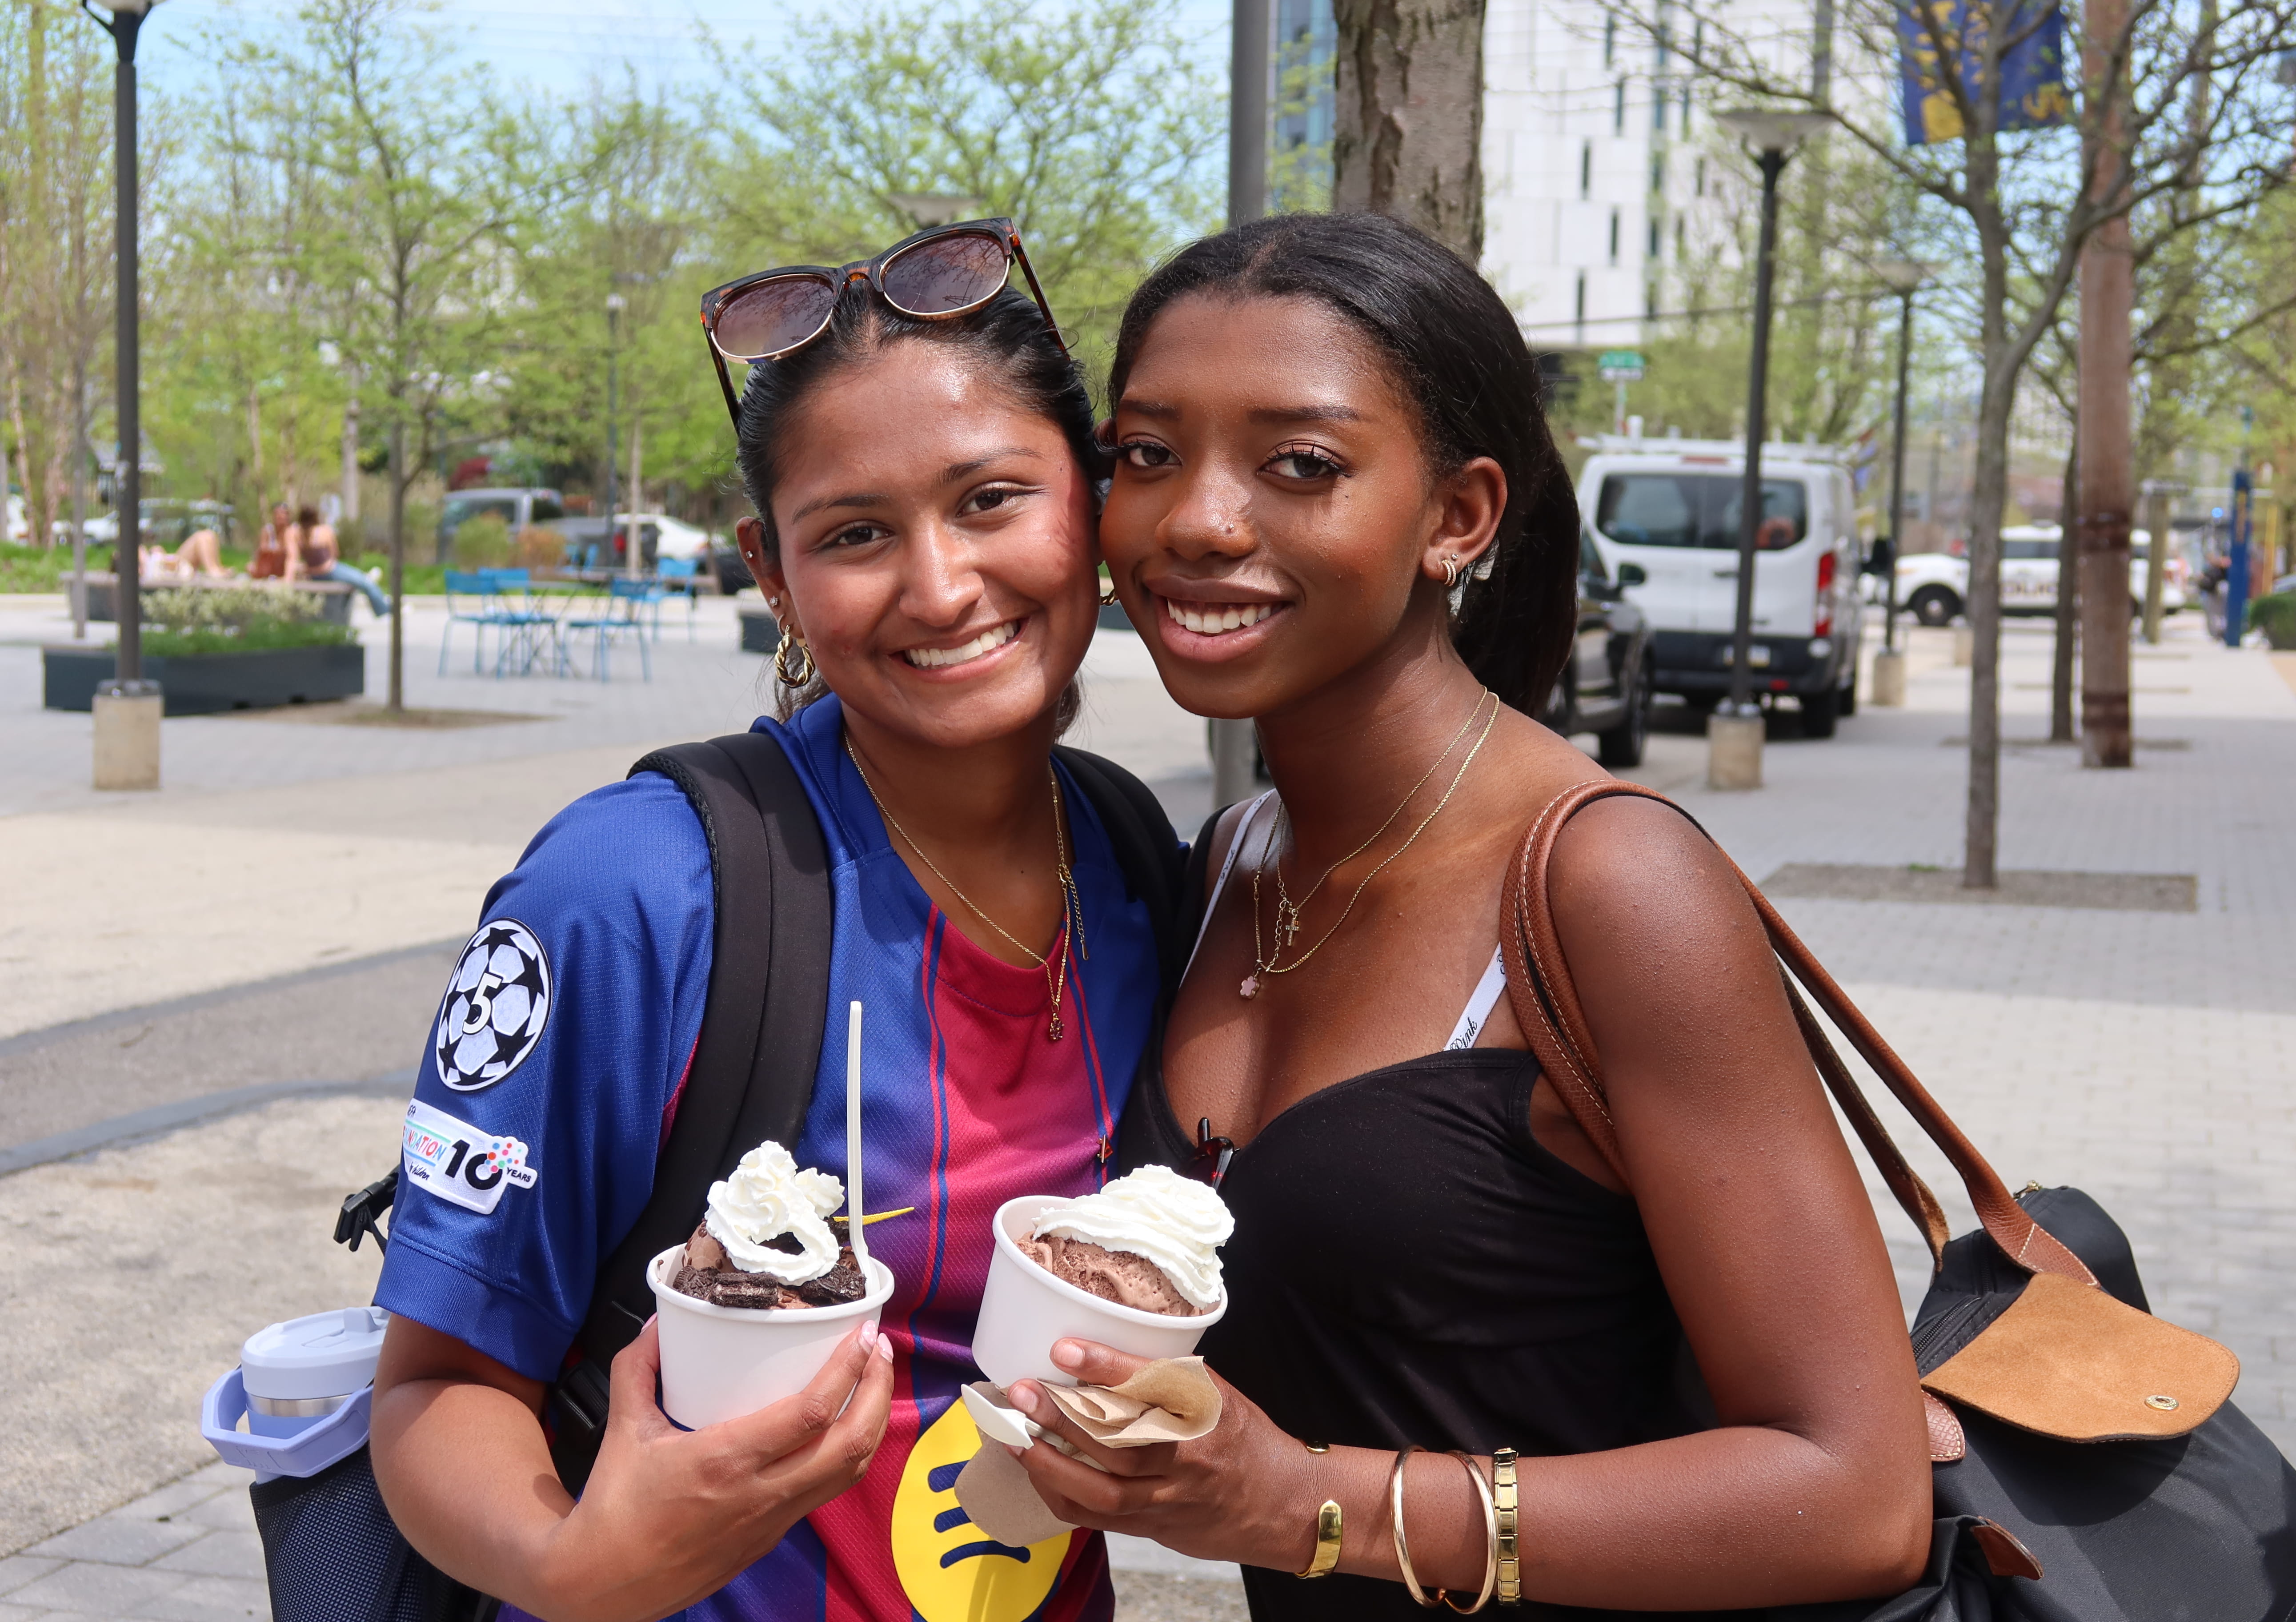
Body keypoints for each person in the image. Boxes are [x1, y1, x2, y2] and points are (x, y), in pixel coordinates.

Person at [1006, 213, 1931, 1615]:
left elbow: (1857, 1495)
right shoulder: (1215, 870)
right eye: (1146, 454)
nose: (1197, 515)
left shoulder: (1607, 886)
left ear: (1460, 516)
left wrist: (1308, 1502)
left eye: (1300, 464)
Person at [369, 224, 1179, 1622]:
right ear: (772, 569)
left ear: (1092, 503)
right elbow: (437, 1385)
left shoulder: (1136, 861)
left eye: (992, 499)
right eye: (856, 533)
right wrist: (573, 1567)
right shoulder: (637, 889)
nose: (939, 585)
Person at [287, 502, 391, 614]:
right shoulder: (309, 532)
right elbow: (334, 554)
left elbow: (332, 555)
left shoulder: (310, 532)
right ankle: (383, 606)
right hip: (322, 572)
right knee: (364, 582)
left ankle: (383, 608)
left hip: (322, 572)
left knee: (360, 582)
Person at [140, 526, 232, 582]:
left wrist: (159, 553)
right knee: (202, 538)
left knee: (209, 535)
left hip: (167, 566)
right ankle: (212, 570)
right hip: (164, 570)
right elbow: (144, 570)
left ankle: (216, 568)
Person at [248, 503, 293, 580]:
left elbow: (291, 553)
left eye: (283, 514)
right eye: (277, 514)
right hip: (268, 567)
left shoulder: (292, 531)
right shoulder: (268, 531)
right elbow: (262, 550)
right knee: (251, 567)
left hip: (284, 567)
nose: (280, 516)